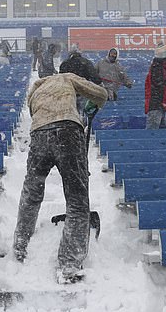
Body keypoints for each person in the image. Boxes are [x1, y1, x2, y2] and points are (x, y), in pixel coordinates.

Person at [12, 72, 108, 284]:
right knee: (77, 199)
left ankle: (20, 247)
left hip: (38, 135)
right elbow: (101, 93)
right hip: (67, 131)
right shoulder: (66, 78)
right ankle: (69, 264)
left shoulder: (35, 90)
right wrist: (92, 105)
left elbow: (36, 113)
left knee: (31, 193)